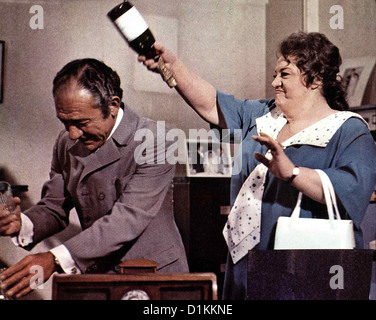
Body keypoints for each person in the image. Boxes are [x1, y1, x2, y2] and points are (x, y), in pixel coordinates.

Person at [139, 32, 376, 299]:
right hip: (246, 257)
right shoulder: (263, 115)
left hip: (305, 264)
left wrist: (293, 173)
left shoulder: (349, 129)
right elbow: (210, 104)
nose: (274, 82)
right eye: (275, 74)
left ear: (316, 79)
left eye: (284, 74)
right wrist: (173, 66)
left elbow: (355, 189)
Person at [0, 59, 188, 299]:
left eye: (81, 123)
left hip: (154, 277)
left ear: (112, 106)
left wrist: (55, 258)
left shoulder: (157, 139)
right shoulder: (65, 142)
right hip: (99, 278)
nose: (72, 134)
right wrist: (23, 224)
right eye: (65, 122)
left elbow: (127, 218)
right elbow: (54, 207)